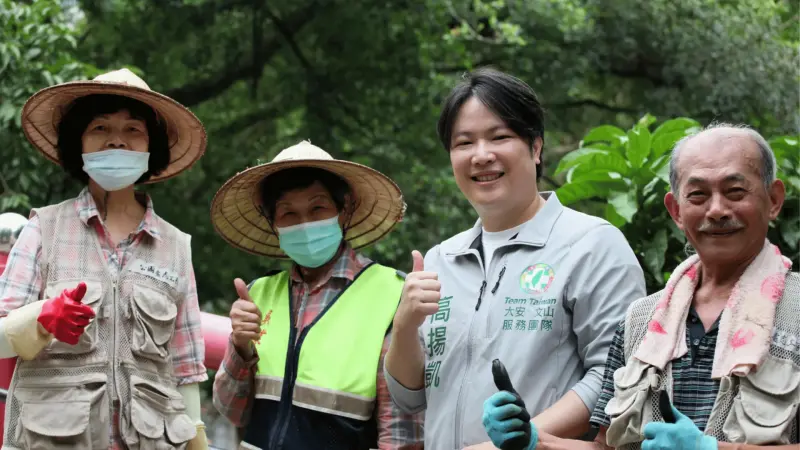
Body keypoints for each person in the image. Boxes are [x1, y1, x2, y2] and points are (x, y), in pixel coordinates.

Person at [489, 123, 799, 449]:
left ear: (774, 199)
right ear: (676, 211)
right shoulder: (641, 321)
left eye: (735, 192)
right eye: (698, 195)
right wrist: (534, 441)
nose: (717, 210)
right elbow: (606, 446)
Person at [383, 67, 647, 449]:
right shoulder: (440, 260)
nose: (482, 155)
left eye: (500, 137)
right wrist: (405, 325)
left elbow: (614, 377)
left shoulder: (591, 245)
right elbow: (409, 397)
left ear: (535, 147)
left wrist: (522, 439)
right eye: (464, 143)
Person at [0, 68, 210, 449]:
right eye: (100, 128)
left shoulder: (176, 246)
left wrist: (198, 442)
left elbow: (186, 367)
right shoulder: (42, 230)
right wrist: (41, 318)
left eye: (133, 130)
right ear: (77, 143)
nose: (117, 141)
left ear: (151, 147)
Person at [210, 141, 424, 450]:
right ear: (273, 223)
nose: (305, 223)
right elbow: (231, 410)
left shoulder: (391, 294)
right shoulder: (258, 294)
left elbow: (401, 432)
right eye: (288, 213)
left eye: (318, 208)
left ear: (344, 209)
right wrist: (239, 347)